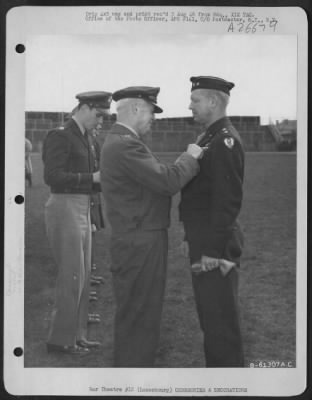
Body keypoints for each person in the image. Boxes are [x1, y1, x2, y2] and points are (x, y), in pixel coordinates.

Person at [100, 86, 203, 367]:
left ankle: (132, 369)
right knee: (140, 312)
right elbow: (167, 182)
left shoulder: (121, 141)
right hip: (140, 241)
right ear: (134, 109)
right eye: (150, 112)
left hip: (136, 236)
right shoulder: (126, 144)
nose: (153, 119)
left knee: (137, 311)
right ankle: (134, 374)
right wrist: (190, 156)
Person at [179, 76, 245, 367]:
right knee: (211, 317)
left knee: (220, 321)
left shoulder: (224, 141)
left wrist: (212, 253)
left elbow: (226, 203)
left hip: (213, 247)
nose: (190, 105)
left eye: (195, 101)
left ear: (213, 102)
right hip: (203, 241)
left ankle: (227, 383)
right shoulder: (209, 136)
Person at [42, 91, 112, 355]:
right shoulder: (60, 135)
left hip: (82, 207)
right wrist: (92, 178)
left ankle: (78, 335)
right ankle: (60, 341)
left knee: (82, 277)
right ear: (83, 107)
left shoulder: (87, 137)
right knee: (71, 276)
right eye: (98, 114)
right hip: (65, 205)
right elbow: (53, 176)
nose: (101, 121)